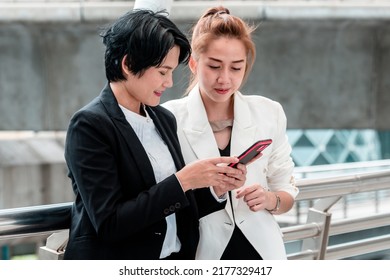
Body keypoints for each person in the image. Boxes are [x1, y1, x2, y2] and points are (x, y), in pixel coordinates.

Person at [63, 9, 246, 260]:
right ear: (127, 64)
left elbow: (175, 207)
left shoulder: (163, 118)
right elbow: (109, 223)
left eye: (171, 71)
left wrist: (215, 187)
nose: (169, 82)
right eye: (162, 72)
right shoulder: (89, 125)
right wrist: (184, 181)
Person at [163, 6, 299, 260]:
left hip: (263, 253)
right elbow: (162, 201)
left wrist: (269, 199)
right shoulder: (168, 119)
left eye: (236, 68)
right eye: (214, 66)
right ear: (193, 62)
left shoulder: (269, 113)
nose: (225, 79)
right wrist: (210, 187)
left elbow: (287, 192)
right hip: (201, 253)